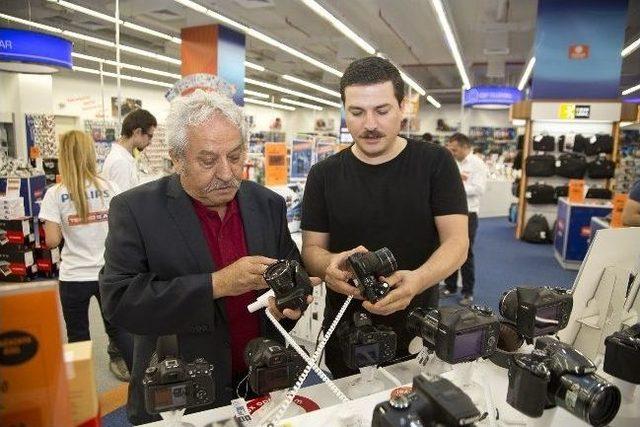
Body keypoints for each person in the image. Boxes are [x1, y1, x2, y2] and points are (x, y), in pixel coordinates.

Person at [99, 89, 314, 424]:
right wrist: (216, 284)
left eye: (235, 156)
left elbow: (293, 273)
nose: (227, 173)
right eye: (208, 160)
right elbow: (119, 300)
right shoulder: (136, 210)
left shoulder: (267, 204)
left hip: (263, 385)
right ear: (177, 158)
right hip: (180, 395)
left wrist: (289, 303)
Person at [301, 56, 469, 379]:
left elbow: (457, 243)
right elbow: (312, 251)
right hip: (347, 334)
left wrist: (417, 279)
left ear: (402, 107)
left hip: (420, 332)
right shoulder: (323, 175)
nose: (370, 125)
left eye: (382, 110)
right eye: (357, 112)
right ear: (344, 111)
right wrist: (330, 266)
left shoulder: (435, 163)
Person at [38, 131, 133, 381]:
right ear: (91, 154)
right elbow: (123, 229)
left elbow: (52, 241)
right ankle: (130, 369)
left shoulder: (55, 194)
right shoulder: (110, 188)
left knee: (77, 334)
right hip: (108, 273)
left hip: (73, 276)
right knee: (117, 326)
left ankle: (80, 384)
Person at [442, 133, 488, 306]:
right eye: (450, 149)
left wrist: (455, 187)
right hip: (449, 213)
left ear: (464, 147)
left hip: (469, 214)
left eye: (454, 149)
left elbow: (479, 189)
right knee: (447, 250)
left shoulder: (477, 164)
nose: (452, 152)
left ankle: (468, 292)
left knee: (466, 253)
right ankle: (450, 285)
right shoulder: (450, 161)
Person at [102, 109, 157, 192]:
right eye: (149, 136)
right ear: (137, 132)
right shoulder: (121, 163)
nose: (150, 142)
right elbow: (122, 202)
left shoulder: (122, 157)